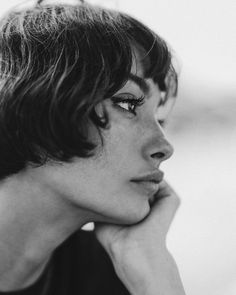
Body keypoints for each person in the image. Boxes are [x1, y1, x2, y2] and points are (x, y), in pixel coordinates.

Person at [0, 0, 186, 294]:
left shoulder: (116, 273)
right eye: (128, 103)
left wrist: (157, 280)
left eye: (160, 118)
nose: (164, 147)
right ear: (35, 101)